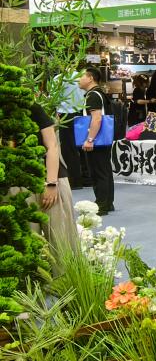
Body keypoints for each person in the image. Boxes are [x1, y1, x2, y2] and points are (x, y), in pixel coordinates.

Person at [29, 102, 76, 249]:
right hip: (19, 185)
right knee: (28, 244)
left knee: (62, 241)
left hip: (51, 179)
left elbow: (52, 146)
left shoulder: (33, 108)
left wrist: (51, 183)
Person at [78, 68, 115, 216]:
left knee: (98, 171)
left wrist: (90, 139)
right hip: (103, 139)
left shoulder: (93, 95)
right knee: (104, 170)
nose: (78, 79)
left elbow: (97, 118)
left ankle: (101, 204)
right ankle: (107, 202)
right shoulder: (99, 93)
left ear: (90, 78)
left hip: (97, 139)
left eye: (81, 76)